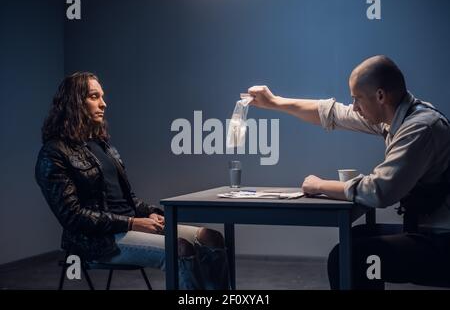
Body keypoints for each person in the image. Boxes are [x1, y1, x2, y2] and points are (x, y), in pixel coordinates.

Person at [247, 55, 450, 289]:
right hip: (426, 232)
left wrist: (319, 185)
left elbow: (379, 191)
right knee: (354, 240)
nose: (354, 107)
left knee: (346, 258)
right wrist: (274, 102)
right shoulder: (397, 116)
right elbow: (333, 114)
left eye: (357, 99)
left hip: (441, 241)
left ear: (381, 96)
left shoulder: (420, 128)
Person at [35, 72, 230, 290]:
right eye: (94, 96)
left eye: (102, 96)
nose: (103, 103)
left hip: (132, 226)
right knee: (180, 249)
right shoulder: (53, 153)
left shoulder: (103, 146)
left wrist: (149, 213)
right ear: (74, 103)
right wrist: (132, 223)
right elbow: (72, 216)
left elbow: (128, 200)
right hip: (97, 241)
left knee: (212, 239)